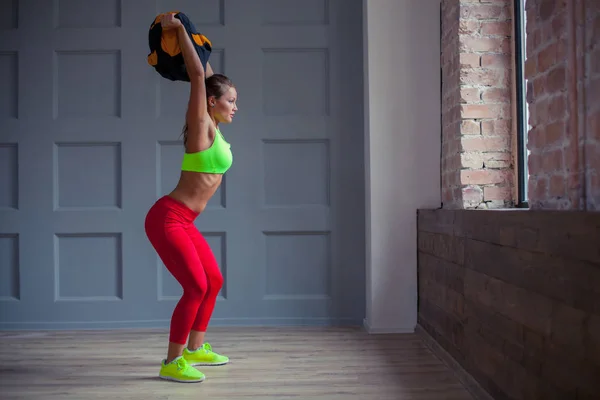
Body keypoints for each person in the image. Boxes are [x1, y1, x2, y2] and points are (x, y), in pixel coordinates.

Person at [144, 12, 238, 384]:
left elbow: (207, 73)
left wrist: (194, 36)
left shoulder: (214, 126)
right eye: (230, 100)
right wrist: (180, 30)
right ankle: (172, 361)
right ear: (212, 104)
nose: (235, 106)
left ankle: (197, 349)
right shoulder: (201, 127)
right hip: (167, 218)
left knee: (213, 280)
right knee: (195, 286)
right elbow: (200, 77)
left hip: (184, 220)